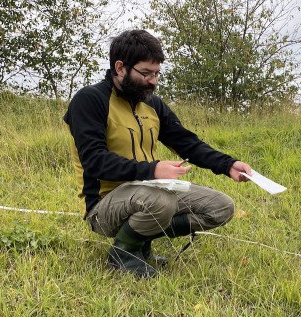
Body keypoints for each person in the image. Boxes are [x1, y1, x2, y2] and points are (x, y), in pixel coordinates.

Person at [64, 30, 252, 278]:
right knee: (161, 200)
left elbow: (187, 143)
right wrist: (152, 170)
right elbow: (94, 161)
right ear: (120, 68)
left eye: (156, 74)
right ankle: (123, 253)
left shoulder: (152, 104)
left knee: (221, 207)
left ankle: (140, 240)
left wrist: (228, 164)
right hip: (102, 207)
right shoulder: (89, 100)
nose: (153, 81)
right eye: (146, 73)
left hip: (146, 192)